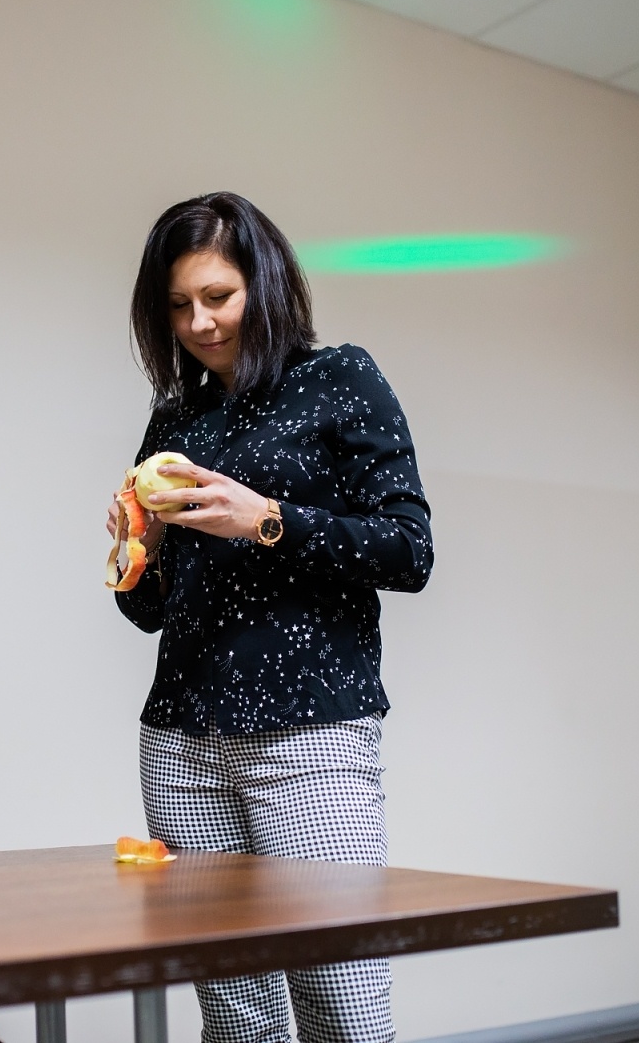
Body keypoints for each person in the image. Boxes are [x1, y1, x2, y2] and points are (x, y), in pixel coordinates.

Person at [111, 192, 433, 1043]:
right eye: (179, 306)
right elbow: (148, 611)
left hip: (310, 737)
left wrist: (267, 517)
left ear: (266, 283)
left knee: (344, 1008)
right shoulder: (175, 419)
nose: (201, 322)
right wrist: (130, 553)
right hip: (183, 743)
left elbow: (410, 552)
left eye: (217, 296)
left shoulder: (340, 378)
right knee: (238, 1019)